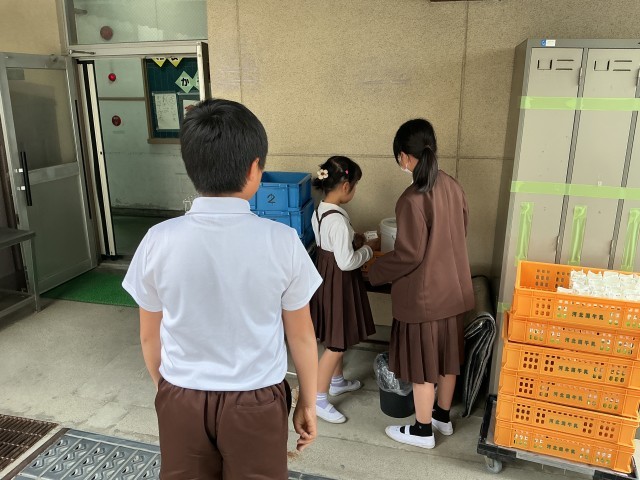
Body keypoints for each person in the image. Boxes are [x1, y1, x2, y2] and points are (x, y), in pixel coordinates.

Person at [122, 98, 321, 479]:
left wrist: (169, 391)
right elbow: (301, 336)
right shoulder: (282, 241)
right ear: (254, 169)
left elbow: (149, 337)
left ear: (191, 167)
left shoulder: (157, 240)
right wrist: (308, 403)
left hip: (181, 395)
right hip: (257, 400)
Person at [368, 118, 474, 449]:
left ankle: (422, 430)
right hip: (454, 292)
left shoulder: (412, 199)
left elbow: (409, 255)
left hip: (425, 300)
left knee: (423, 367)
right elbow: (461, 231)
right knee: (448, 360)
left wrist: (375, 270)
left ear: (403, 156)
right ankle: (442, 418)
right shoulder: (453, 186)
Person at [310, 155, 377, 424]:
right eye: (356, 185)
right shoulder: (337, 220)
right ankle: (317, 399)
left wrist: (353, 239)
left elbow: (332, 246)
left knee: (334, 334)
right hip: (339, 280)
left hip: (326, 277)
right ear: (346, 186)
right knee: (336, 345)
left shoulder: (321, 210)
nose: (355, 190)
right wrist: (368, 249)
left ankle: (337, 381)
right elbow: (347, 262)